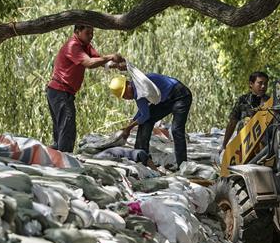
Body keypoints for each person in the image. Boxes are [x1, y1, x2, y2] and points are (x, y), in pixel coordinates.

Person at [47, 24, 124, 152]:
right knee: (67, 129)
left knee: (62, 130)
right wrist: (111, 56)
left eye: (92, 33)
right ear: (77, 31)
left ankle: (57, 158)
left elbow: (99, 60)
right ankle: (64, 162)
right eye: (88, 33)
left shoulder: (85, 45)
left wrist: (117, 65)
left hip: (61, 92)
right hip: (60, 91)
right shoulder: (73, 46)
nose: (91, 36)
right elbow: (89, 63)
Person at [110, 72, 193, 167]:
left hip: (181, 95)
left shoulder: (142, 84)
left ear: (128, 85)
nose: (126, 98)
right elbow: (143, 112)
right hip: (166, 100)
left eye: (125, 94)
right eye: (123, 97)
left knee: (176, 130)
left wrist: (129, 128)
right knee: (146, 122)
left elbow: (144, 115)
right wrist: (129, 124)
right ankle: (141, 157)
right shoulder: (137, 92)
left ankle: (182, 164)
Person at [221, 71, 270, 150]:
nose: (263, 86)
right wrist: (224, 145)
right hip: (244, 147)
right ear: (251, 84)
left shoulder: (270, 102)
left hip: (265, 147)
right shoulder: (242, 100)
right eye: (260, 83)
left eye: (266, 83)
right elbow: (232, 123)